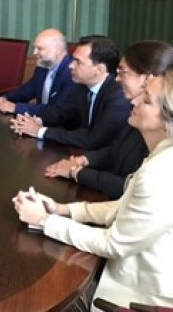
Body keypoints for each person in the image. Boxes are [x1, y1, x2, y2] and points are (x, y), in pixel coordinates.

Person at [12, 69, 173, 309]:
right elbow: (124, 206)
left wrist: (45, 221)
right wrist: (61, 209)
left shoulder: (160, 172)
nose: (134, 101)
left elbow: (113, 244)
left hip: (135, 297)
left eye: (147, 100)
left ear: (168, 121)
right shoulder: (162, 155)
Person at [44, 41, 173, 198]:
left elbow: (129, 186)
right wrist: (84, 160)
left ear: (147, 78)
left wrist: (75, 172)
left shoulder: (157, 127)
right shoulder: (137, 112)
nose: (117, 79)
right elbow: (116, 151)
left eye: (123, 72)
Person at [10, 35, 131, 150]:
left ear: (99, 69)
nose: (71, 66)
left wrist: (39, 131)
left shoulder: (118, 96)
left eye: (78, 62)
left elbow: (92, 139)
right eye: (73, 59)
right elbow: (60, 112)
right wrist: (35, 121)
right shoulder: (81, 86)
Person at [0, 28, 73, 115]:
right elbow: (27, 90)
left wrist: (15, 107)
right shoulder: (43, 66)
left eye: (39, 48)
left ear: (57, 49)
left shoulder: (72, 72)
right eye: (35, 48)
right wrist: (5, 98)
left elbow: (57, 110)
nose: (34, 52)